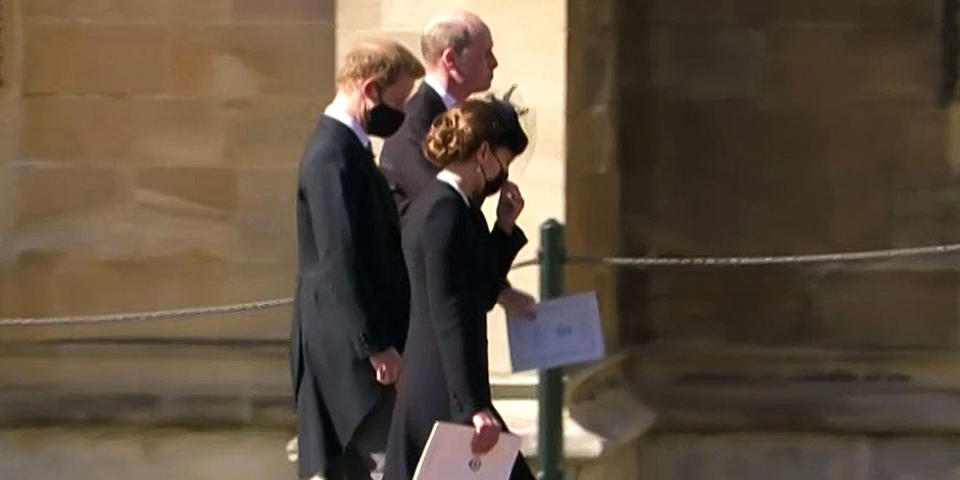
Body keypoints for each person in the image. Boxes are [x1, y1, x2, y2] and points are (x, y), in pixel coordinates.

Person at [290, 39, 424, 480]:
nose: (401, 112)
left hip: (361, 346)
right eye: (398, 99)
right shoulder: (331, 156)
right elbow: (338, 257)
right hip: (350, 354)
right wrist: (374, 344)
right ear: (370, 89)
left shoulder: (350, 149)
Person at [382, 98, 535, 480]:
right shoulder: (442, 212)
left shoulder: (459, 208)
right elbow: (448, 311)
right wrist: (471, 406)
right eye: (504, 160)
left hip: (446, 385)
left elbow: (479, 294)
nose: (504, 172)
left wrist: (503, 229)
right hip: (443, 386)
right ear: (483, 152)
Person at [379, 10, 536, 318]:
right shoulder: (415, 127)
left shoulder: (465, 117)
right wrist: (497, 287)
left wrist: (499, 285)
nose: (494, 63)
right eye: (486, 53)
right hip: (424, 313)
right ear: (451, 60)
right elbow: (446, 217)